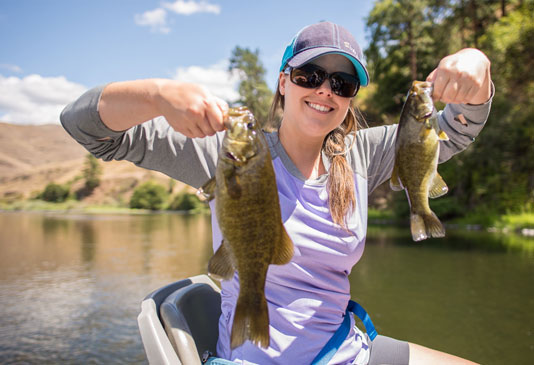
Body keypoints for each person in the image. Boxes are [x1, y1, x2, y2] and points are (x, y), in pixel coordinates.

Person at [61, 21, 492, 365]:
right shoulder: (227, 153)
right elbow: (89, 130)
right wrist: (156, 95)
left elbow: (454, 132)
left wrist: (478, 71)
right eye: (311, 75)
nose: (325, 90)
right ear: (284, 82)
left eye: (342, 83)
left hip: (344, 350)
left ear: (350, 99)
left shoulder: (364, 154)